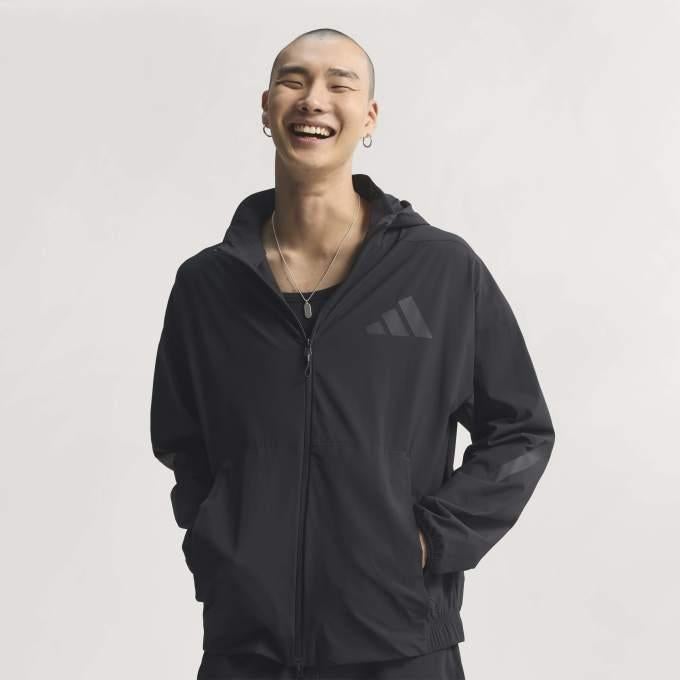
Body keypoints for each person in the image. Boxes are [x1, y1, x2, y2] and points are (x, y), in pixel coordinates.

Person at [150, 27, 555, 680]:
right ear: (266, 109)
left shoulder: (439, 271)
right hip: (247, 649)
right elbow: (182, 440)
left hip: (399, 644)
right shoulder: (207, 286)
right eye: (293, 81)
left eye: (339, 84)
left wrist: (429, 540)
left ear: (368, 118)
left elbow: (521, 430)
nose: (313, 99)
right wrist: (221, 545)